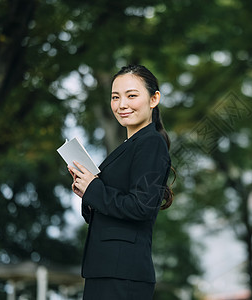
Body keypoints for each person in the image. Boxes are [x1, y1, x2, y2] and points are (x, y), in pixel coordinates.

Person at [67, 64, 173, 299]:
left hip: (123, 273)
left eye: (131, 95)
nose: (122, 104)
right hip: (106, 270)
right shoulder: (129, 146)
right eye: (115, 97)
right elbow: (113, 209)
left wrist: (94, 189)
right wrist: (88, 191)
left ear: (154, 99)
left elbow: (141, 206)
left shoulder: (151, 142)